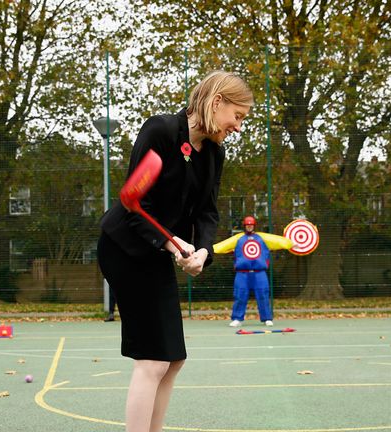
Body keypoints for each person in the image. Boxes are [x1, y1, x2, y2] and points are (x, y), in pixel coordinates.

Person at [97, 70, 253, 432]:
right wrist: (173, 243)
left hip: (157, 253)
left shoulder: (213, 154)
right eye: (238, 116)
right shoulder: (161, 131)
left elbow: (207, 212)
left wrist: (201, 251)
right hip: (125, 248)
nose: (238, 126)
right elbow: (137, 206)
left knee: (173, 360)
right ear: (217, 102)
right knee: (152, 360)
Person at [213, 216, 293, 327]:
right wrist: (209, 250)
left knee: (263, 295)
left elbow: (278, 241)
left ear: (254, 226)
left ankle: (267, 318)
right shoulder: (238, 239)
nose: (249, 227)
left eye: (251, 225)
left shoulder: (262, 238)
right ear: (244, 226)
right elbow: (223, 245)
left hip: (259, 272)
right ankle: (237, 318)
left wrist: (292, 243)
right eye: (247, 225)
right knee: (240, 295)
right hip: (242, 272)